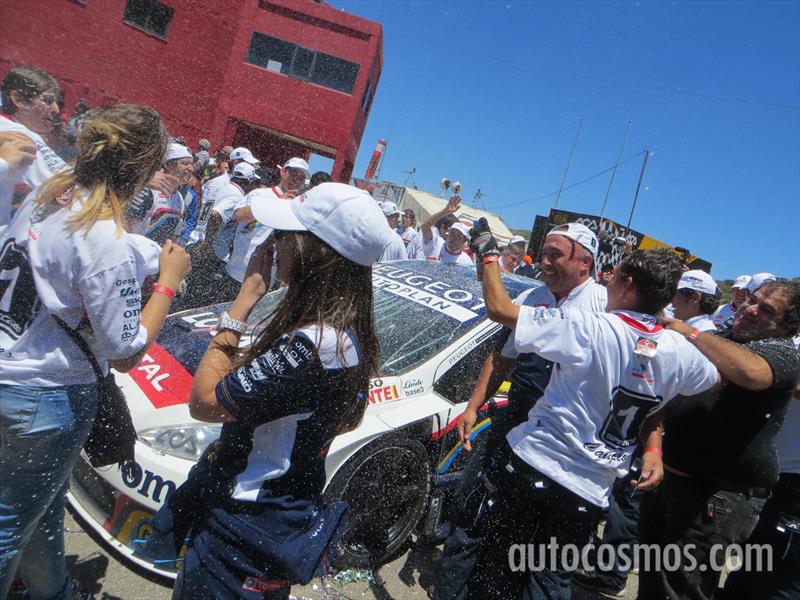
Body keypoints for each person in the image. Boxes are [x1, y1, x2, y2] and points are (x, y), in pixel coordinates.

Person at [142, 183, 392, 599]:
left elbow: (204, 403)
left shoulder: (313, 345)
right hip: (277, 517)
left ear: (315, 254)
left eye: (284, 234)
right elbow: (348, 414)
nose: (273, 242)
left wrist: (243, 301)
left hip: (243, 528)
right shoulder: (348, 334)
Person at [462, 225, 720, 599]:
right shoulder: (682, 353)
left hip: (536, 463)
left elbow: (500, 309)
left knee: (499, 568)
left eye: (614, 276)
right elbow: (715, 381)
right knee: (549, 580)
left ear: (628, 284)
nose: (608, 281)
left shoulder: (591, 326)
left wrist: (488, 256)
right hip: (590, 489)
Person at [0, 104, 191, 600]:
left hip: (11, 374)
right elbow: (124, 351)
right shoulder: (102, 236)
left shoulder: (50, 199)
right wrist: (167, 285)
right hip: (45, 397)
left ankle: (53, 592)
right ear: (144, 166)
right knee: (8, 525)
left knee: (41, 506)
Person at [433, 222, 607, 600]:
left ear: (585, 262)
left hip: (565, 444)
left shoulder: (603, 308)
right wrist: (473, 406)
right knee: (475, 507)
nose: (543, 261)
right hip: (516, 421)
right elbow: (502, 357)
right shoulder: (533, 297)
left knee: (542, 554)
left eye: (555, 255)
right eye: (542, 252)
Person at [637, 279, 800, 600]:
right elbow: (657, 393)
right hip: (666, 478)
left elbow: (751, 372)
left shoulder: (784, 354)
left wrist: (689, 333)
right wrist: (653, 448)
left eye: (766, 309)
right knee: (651, 574)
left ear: (788, 325)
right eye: (752, 300)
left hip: (719, 495)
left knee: (682, 587)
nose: (751, 309)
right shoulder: (715, 338)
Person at [720, 335, 800, 599]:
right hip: (773, 473)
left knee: (780, 577)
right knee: (754, 560)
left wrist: (779, 372)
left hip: (794, 484)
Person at [0, 66, 66, 231]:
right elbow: (65, 185)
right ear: (19, 100)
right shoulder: (21, 135)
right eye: (48, 100)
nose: (56, 109)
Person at [142, 143, 194, 245]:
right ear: (168, 165)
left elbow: (173, 236)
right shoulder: (150, 191)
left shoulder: (179, 197)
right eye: (185, 163)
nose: (191, 168)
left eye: (191, 164)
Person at [418, 196, 463, 260]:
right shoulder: (436, 242)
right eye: (452, 232)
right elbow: (425, 226)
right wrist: (444, 211)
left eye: (458, 236)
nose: (454, 238)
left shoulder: (465, 259)